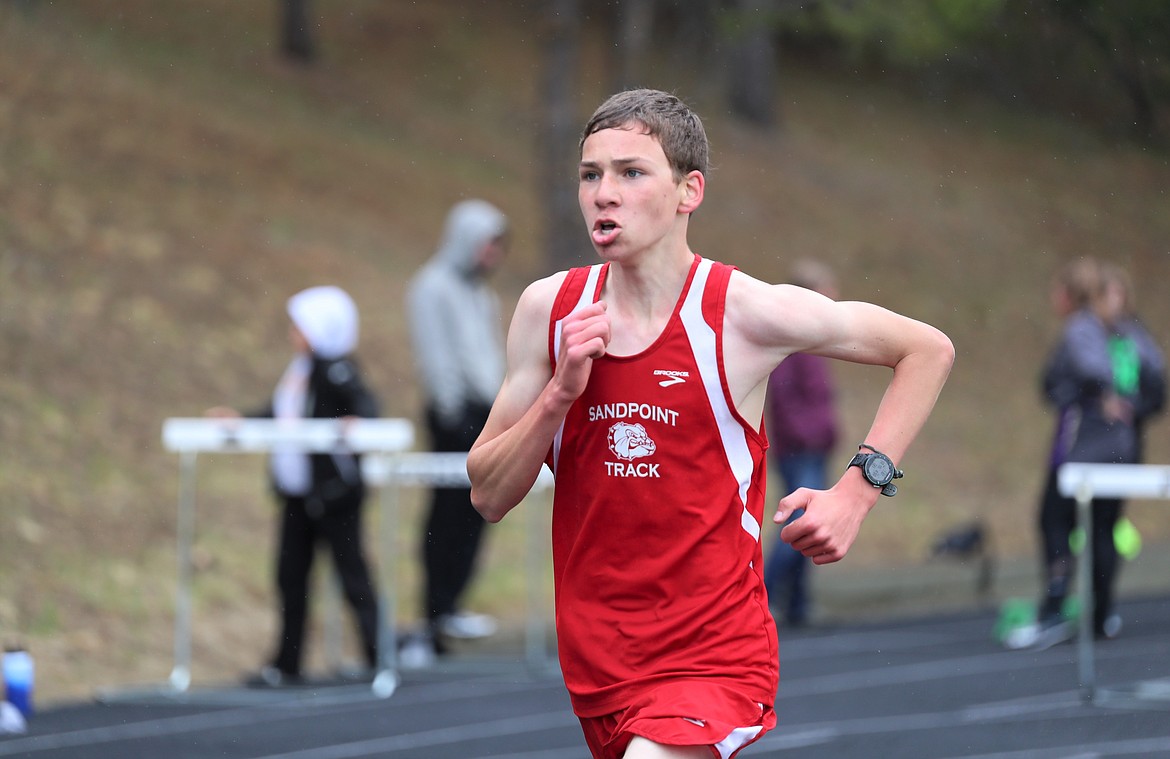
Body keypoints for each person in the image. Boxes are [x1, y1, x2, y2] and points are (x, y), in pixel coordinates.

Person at [466, 89, 954, 759]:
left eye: (631, 172)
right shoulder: (548, 311)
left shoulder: (743, 313)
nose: (604, 193)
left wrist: (855, 493)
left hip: (712, 656)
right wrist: (559, 394)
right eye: (590, 174)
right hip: (601, 664)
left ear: (688, 190)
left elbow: (925, 350)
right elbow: (488, 492)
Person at [207, 286, 381, 686]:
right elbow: (281, 415)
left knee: (352, 574)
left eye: (299, 325)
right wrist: (241, 421)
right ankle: (288, 662)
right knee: (290, 576)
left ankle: (378, 655)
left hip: (333, 497)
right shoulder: (298, 371)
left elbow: (366, 407)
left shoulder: (336, 369)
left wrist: (354, 424)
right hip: (296, 496)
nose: (292, 333)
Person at [1029, 259, 1164, 649]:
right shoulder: (1132, 334)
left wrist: (1112, 399)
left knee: (1058, 520)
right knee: (1100, 528)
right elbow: (1153, 382)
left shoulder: (1093, 332)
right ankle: (1100, 614)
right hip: (1121, 448)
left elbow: (1081, 376)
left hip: (1085, 448)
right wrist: (1133, 406)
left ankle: (1065, 606)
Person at [404, 199, 510, 666]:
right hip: (455, 415)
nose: (493, 254)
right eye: (489, 243)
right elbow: (437, 357)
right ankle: (434, 610)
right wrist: (452, 411)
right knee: (446, 512)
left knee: (478, 512)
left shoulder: (480, 294)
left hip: (486, 411)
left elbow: (486, 353)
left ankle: (452, 605)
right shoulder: (432, 287)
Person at [762, 259, 840, 629]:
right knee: (799, 525)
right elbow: (786, 400)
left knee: (811, 524)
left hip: (812, 446)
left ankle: (797, 605)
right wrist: (809, 435)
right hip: (799, 449)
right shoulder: (794, 343)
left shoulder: (814, 341)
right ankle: (763, 593)